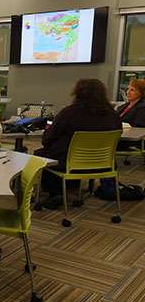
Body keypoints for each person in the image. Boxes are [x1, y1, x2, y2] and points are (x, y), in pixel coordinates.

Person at [34, 77, 122, 209]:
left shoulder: (69, 112)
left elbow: (48, 139)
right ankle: (71, 186)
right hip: (102, 164)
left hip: (69, 162)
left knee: (44, 155)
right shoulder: (113, 115)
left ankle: (56, 193)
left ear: (77, 93)